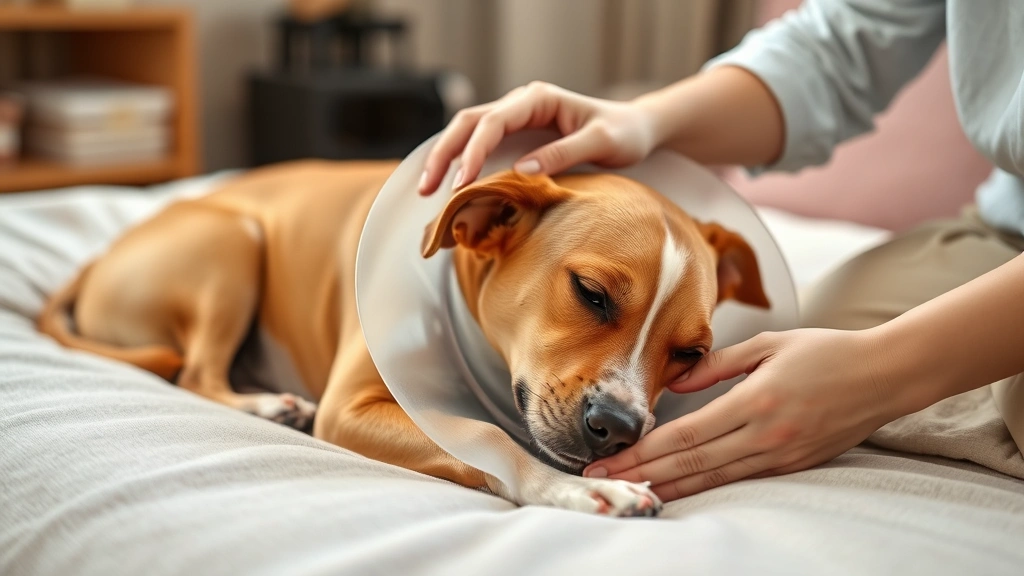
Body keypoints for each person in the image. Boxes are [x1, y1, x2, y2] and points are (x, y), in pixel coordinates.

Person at [419, 0, 1024, 503]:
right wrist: (642, 121)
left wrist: (881, 374)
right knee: (802, 339)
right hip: (1005, 220)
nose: (624, 406)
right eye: (594, 296)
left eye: (683, 354)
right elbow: (843, 45)